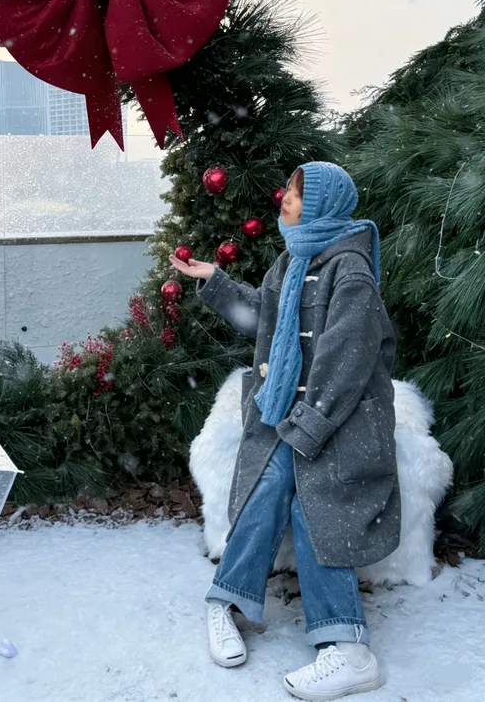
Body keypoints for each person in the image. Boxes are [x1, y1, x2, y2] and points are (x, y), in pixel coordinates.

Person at [169, 161, 400, 701]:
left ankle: (349, 650)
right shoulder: (291, 261)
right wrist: (216, 283)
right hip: (286, 416)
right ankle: (225, 603)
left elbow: (349, 361)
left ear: (322, 205)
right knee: (266, 489)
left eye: (296, 193)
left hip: (336, 421)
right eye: (291, 191)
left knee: (314, 505)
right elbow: (262, 319)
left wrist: (311, 425)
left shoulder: (350, 272)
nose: (285, 199)